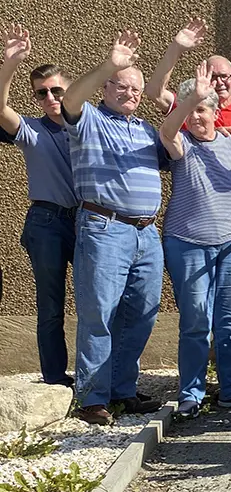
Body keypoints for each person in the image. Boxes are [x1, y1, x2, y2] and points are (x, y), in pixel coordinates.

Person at [146, 18, 231, 398]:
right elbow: (167, 131)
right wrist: (188, 95)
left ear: (217, 112)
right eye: (194, 111)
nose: (200, 117)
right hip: (188, 243)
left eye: (206, 110)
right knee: (196, 322)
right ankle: (192, 394)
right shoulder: (181, 144)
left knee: (230, 320)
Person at [61, 30, 166, 424]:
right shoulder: (88, 119)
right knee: (99, 313)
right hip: (104, 228)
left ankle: (122, 389)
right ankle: (92, 398)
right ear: (106, 87)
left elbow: (174, 143)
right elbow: (70, 98)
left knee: (142, 312)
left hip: (146, 232)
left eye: (136, 88)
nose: (130, 93)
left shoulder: (145, 129)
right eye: (122, 85)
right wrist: (112, 63)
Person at [0, 24, 76, 387]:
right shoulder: (31, 129)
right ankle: (56, 381)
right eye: (42, 93)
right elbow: (0, 108)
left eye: (56, 90)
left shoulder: (89, 126)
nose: (50, 97)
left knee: (103, 303)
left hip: (90, 222)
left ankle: (103, 381)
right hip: (47, 223)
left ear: (69, 89)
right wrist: (10, 63)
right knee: (51, 307)